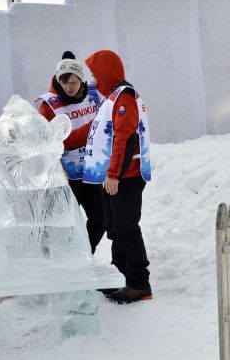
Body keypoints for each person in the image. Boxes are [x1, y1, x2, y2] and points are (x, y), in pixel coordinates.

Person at [83, 49, 153, 304]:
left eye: (94, 72)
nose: (92, 78)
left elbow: (125, 137)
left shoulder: (124, 97)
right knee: (114, 228)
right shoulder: (112, 97)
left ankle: (138, 284)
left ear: (106, 71)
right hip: (114, 176)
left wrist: (114, 175)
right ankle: (123, 277)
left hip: (125, 176)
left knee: (126, 229)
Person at [36, 51, 105, 254]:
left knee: (100, 220)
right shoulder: (49, 105)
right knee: (63, 224)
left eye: (73, 81)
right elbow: (53, 142)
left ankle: (82, 257)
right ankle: (58, 263)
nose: (69, 87)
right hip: (64, 176)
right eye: (64, 82)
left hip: (91, 170)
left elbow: (107, 127)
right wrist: (92, 129)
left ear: (81, 79)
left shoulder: (94, 95)